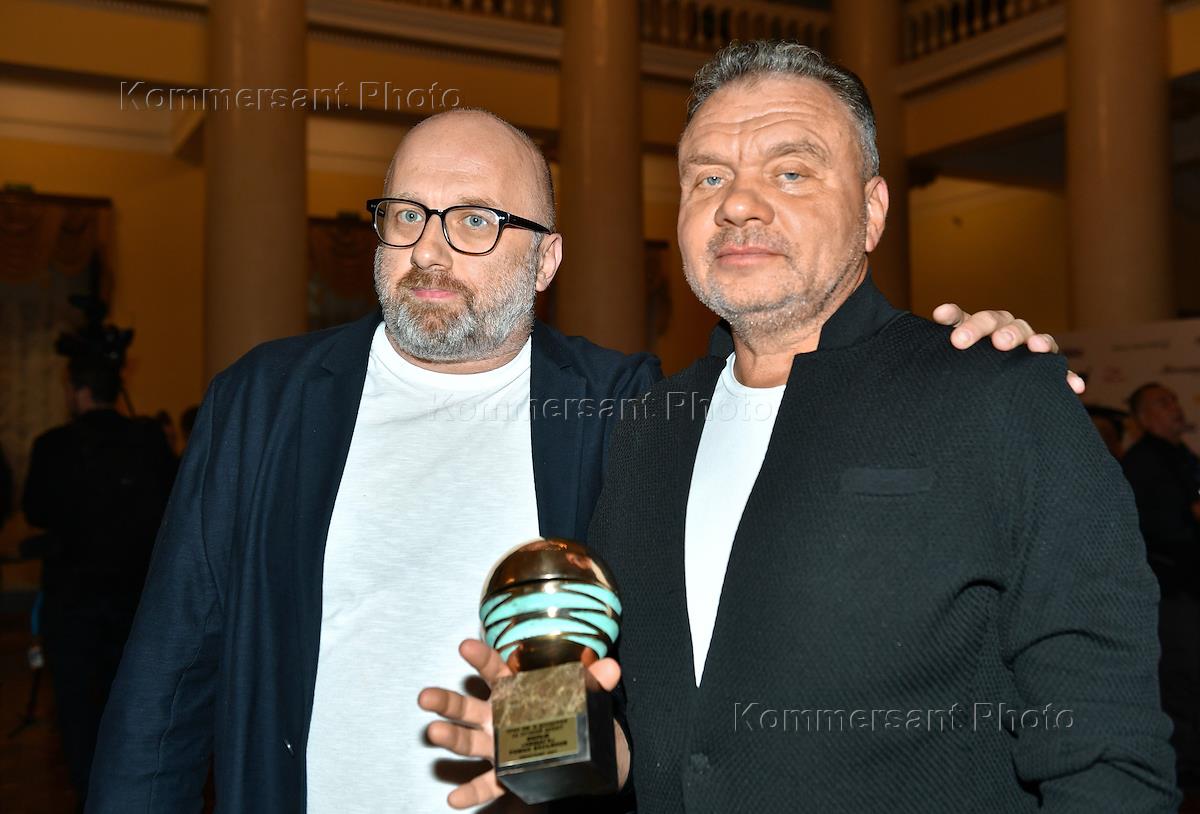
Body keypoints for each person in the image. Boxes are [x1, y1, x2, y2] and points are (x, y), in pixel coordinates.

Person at [89, 107, 1056, 813]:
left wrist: (948, 359)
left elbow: (789, 386)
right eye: (407, 215)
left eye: (476, 221)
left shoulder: (622, 407)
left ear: (545, 261)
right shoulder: (268, 401)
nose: (430, 252)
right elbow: (168, 674)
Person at [423, 44, 1177, 812]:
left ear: (872, 211)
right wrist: (557, 744)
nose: (737, 205)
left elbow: (1107, 754)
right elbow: (663, 727)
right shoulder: (649, 428)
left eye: (790, 172)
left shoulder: (999, 396)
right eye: (708, 177)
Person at [22, 355, 177, 809]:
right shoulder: (147, 439)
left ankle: (88, 796)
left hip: (74, 599)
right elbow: (172, 502)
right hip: (137, 598)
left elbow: (35, 510)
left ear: (81, 392)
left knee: (77, 709)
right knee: (136, 703)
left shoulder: (54, 445)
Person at [1123, 382, 1200, 792]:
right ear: (1142, 419)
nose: (1174, 406)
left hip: (1188, 588)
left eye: (1173, 398)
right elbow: (1165, 530)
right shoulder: (1144, 464)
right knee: (1181, 680)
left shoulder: (1183, 457)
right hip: (1170, 592)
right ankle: (1184, 773)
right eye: (1162, 402)